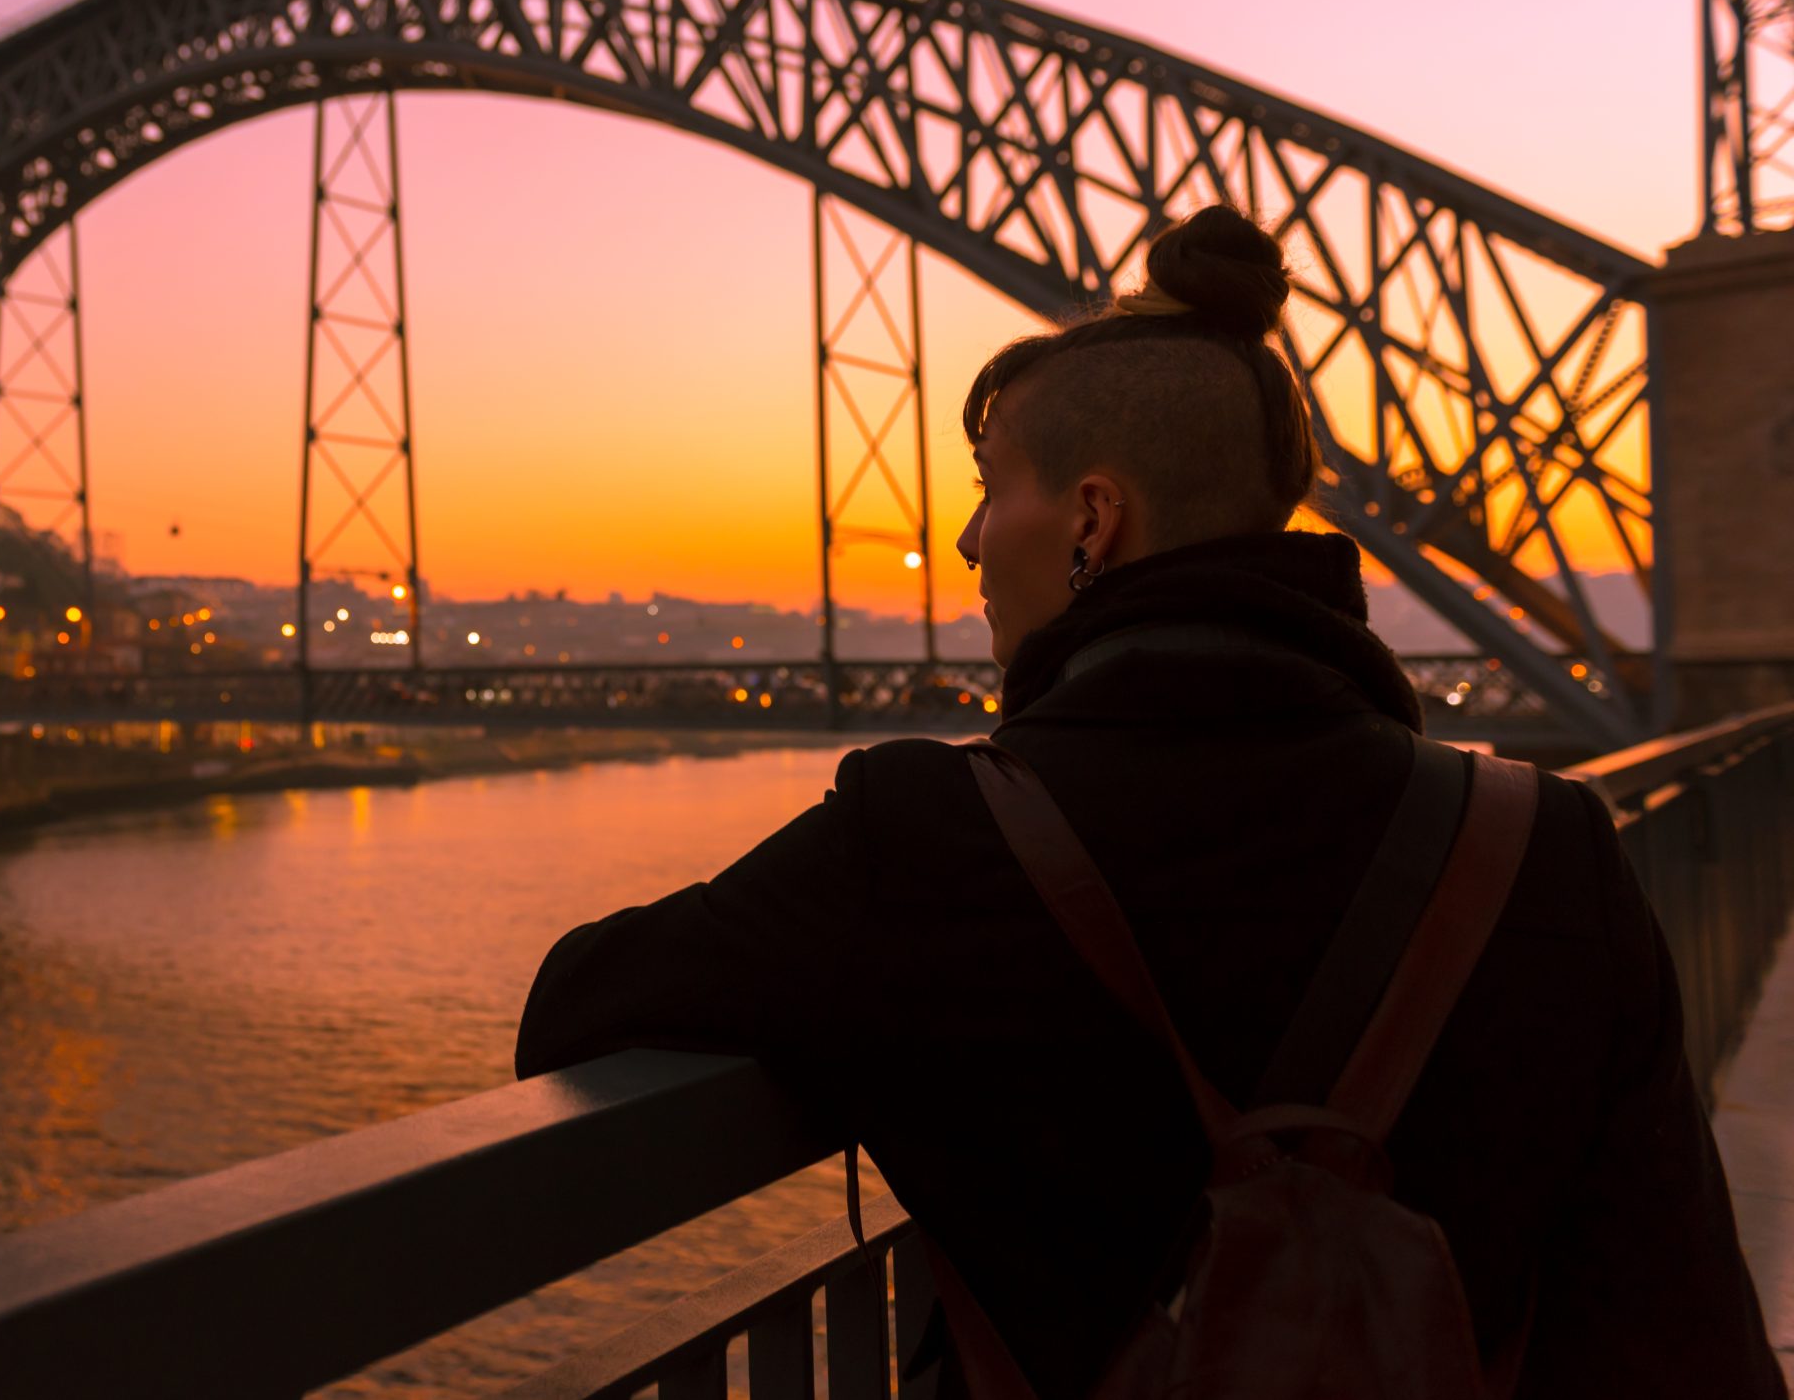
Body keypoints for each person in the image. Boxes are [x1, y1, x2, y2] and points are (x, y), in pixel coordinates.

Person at [512, 206, 1781, 1395]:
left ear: (1091, 520)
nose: (963, 539)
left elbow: (575, 1007)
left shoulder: (924, 840)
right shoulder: (1548, 849)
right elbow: (1684, 1332)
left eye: (987, 483)